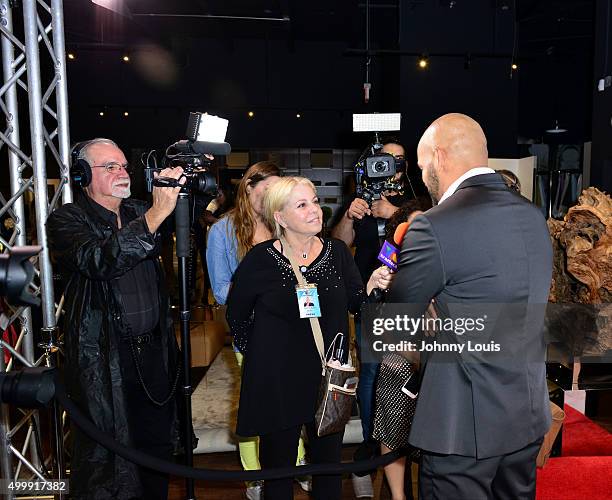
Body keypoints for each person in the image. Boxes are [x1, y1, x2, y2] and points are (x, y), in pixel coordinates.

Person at [388, 114, 553, 499]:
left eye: (422, 162)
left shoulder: (434, 225)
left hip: (461, 428)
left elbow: (394, 325)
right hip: (525, 417)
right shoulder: (533, 216)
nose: (421, 171)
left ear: (440, 158)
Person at [226, 177, 393, 500]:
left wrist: (372, 285)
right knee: (278, 473)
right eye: (302, 205)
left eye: (315, 201)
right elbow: (236, 317)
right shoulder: (260, 260)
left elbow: (357, 304)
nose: (315, 210)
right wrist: (264, 358)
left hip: (329, 382)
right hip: (278, 385)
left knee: (328, 471)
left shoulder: (338, 253)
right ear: (280, 217)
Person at [47, 138, 186, 500]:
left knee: (157, 448)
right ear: (82, 176)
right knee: (110, 459)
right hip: (106, 358)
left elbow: (196, 208)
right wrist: (156, 214)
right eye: (110, 167)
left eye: (124, 166)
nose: (121, 173)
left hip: (154, 353)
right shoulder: (67, 220)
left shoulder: (140, 208)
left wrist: (189, 169)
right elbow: (100, 259)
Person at [331, 140, 413, 496]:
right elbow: (337, 244)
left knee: (405, 374)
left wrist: (391, 213)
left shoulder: (416, 197)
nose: (391, 164)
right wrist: (351, 216)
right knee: (371, 374)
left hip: (410, 299)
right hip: (370, 299)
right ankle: (370, 445)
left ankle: (404, 443)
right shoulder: (359, 195)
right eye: (385, 158)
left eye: (398, 159)